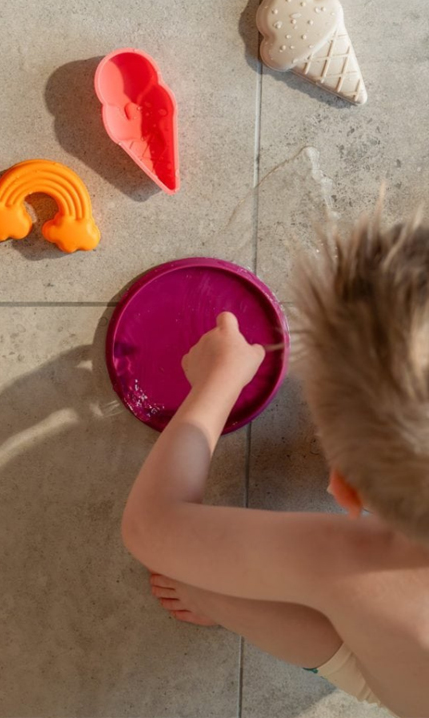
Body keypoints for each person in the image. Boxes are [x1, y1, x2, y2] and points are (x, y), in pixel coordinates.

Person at [122, 210, 429, 718]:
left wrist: (217, 381)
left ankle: (211, 600)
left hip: (388, 674)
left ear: (346, 491)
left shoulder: (351, 562)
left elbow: (149, 525)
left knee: (197, 574)